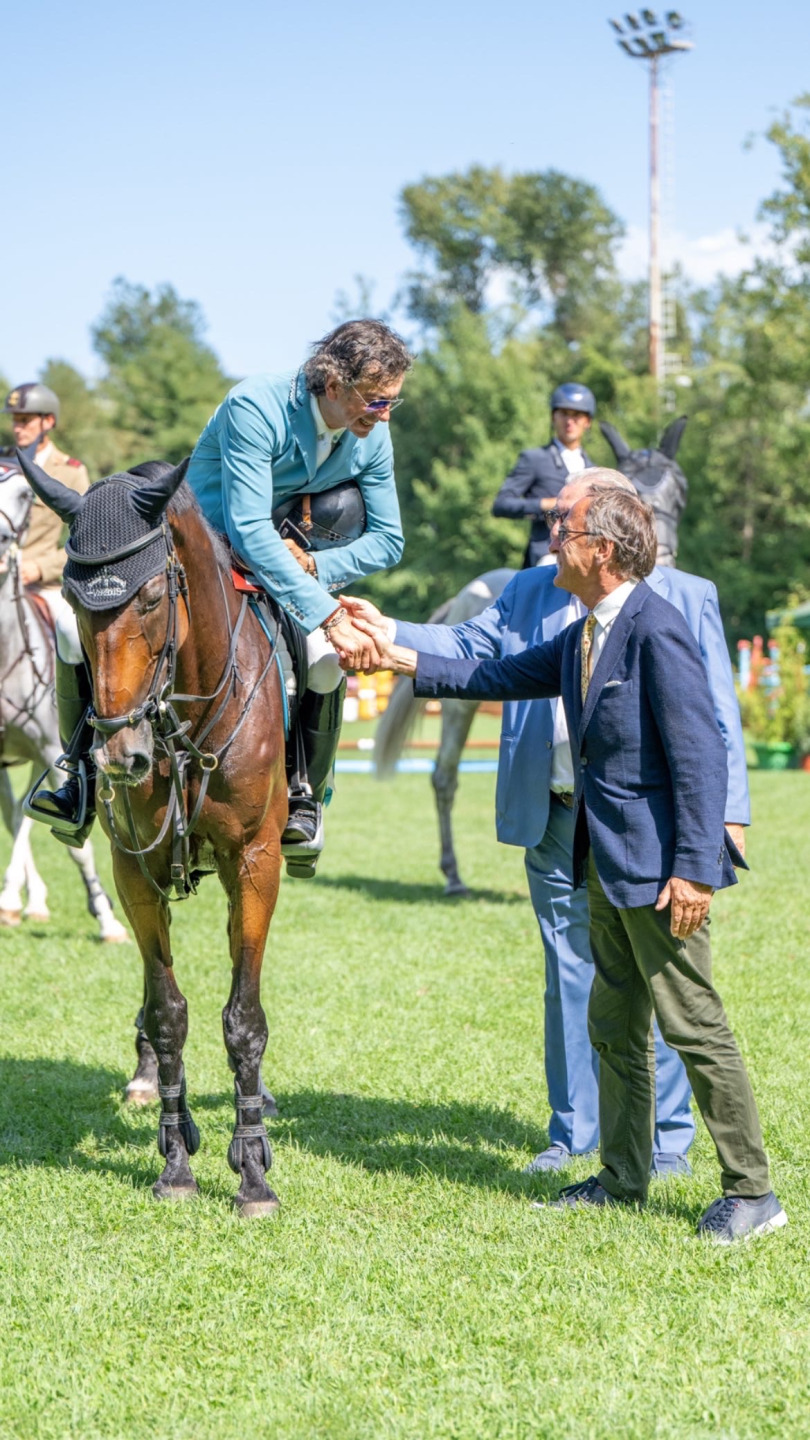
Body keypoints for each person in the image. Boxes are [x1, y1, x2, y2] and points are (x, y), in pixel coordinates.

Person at [375, 486, 785, 1243]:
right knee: (613, 1024)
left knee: (693, 1025)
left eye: (564, 527)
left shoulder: (655, 630)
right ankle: (623, 1178)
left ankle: (753, 1192)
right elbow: (493, 676)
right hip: (604, 863)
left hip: (662, 872)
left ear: (603, 548)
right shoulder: (587, 633)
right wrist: (396, 655)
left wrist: (694, 870)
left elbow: (700, 757)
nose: (550, 535)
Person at [187, 318, 411, 872]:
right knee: (92, 633)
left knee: (325, 662)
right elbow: (243, 528)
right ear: (333, 385)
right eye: (376, 402)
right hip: (202, 558)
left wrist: (315, 563)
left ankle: (307, 793)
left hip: (281, 565)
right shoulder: (254, 407)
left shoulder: (371, 433)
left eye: (390, 404)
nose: (382, 416)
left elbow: (390, 540)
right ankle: (78, 773)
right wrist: (327, 612)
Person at [4, 385, 92, 837]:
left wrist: (38, 567)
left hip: (47, 583)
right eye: (15, 420)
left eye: (27, 420)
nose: (18, 427)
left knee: (71, 633)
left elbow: (84, 540)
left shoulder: (71, 473)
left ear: (48, 422)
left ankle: (81, 738)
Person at [492, 382, 595, 567]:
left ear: (588, 421)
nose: (569, 421)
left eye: (577, 415)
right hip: (547, 552)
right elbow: (501, 504)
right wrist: (544, 505)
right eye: (564, 413)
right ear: (553, 417)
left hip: (585, 553)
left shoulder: (594, 470)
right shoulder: (534, 459)